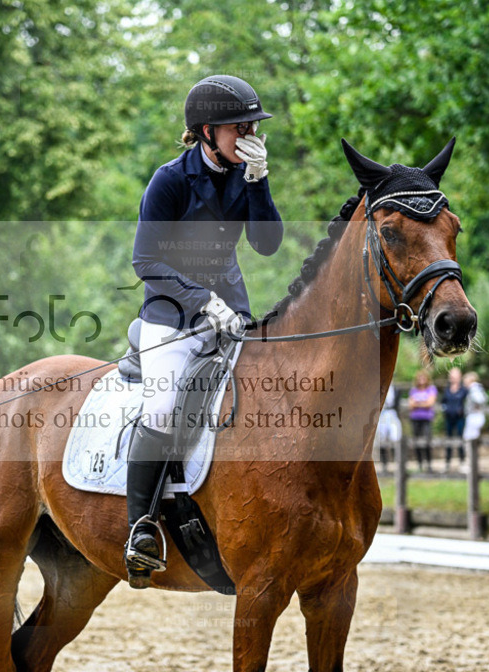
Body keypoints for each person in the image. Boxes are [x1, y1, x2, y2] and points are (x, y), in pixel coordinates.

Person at [125, 75, 283, 585]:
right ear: (209, 130)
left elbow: (266, 245)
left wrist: (260, 182)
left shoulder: (244, 174)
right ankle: (141, 528)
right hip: (172, 320)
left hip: (233, 318)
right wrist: (200, 300)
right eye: (244, 127)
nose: (253, 135)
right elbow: (144, 260)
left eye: (255, 126)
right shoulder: (169, 180)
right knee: (164, 406)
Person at [408, 371, 437, 471]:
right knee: (417, 442)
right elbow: (411, 404)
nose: (421, 380)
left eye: (423, 378)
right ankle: (419, 464)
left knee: (427, 442)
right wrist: (423, 403)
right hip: (415, 419)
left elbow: (430, 403)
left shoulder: (431, 389)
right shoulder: (413, 390)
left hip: (426, 419)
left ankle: (428, 464)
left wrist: (417, 403)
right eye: (420, 378)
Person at [441, 368, 468, 471]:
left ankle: (462, 462)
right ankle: (447, 463)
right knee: (449, 440)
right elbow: (443, 402)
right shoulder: (447, 390)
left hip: (460, 418)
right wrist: (445, 410)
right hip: (449, 418)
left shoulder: (464, 390)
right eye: (451, 376)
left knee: (460, 439)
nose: (453, 378)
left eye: (455, 376)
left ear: (459, 377)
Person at [461, 371, 488, 468]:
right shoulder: (476, 388)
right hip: (475, 416)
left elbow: (481, 399)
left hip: (474, 416)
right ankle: (472, 463)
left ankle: (471, 464)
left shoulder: (474, 388)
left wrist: (477, 407)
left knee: (469, 440)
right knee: (471, 440)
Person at [375, 383, 402, 474]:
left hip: (391, 413)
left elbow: (397, 403)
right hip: (381, 414)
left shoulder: (395, 388)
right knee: (381, 439)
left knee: (395, 437)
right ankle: (384, 464)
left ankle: (397, 462)